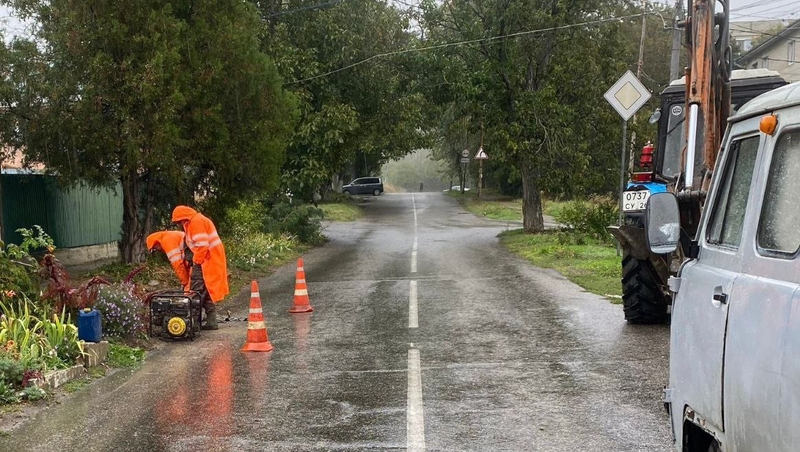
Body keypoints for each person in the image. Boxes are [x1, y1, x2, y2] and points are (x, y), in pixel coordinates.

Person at [171, 205, 229, 330]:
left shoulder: (195, 223)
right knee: (206, 289)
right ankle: (211, 320)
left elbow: (202, 245)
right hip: (211, 258)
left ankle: (194, 323)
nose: (179, 224)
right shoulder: (197, 220)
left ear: (183, 218)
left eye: (179, 221)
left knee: (195, 290)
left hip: (206, 259)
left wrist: (196, 261)